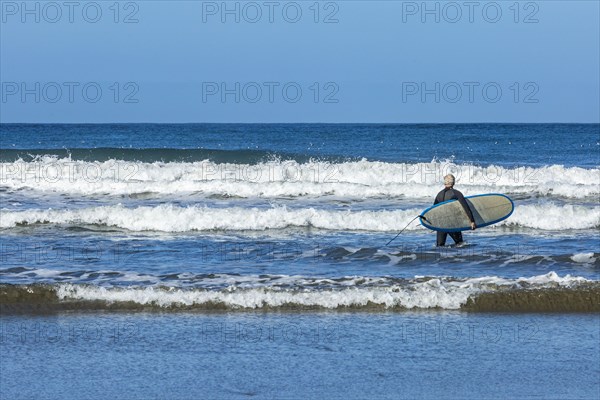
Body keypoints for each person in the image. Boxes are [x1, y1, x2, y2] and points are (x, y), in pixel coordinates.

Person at [434, 174, 476, 246]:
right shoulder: (456, 193)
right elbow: (465, 207)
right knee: (460, 244)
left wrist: (434, 224)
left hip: (441, 224)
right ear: (453, 183)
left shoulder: (439, 194)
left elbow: (434, 210)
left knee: (439, 246)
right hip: (452, 223)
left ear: (445, 183)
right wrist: (472, 221)